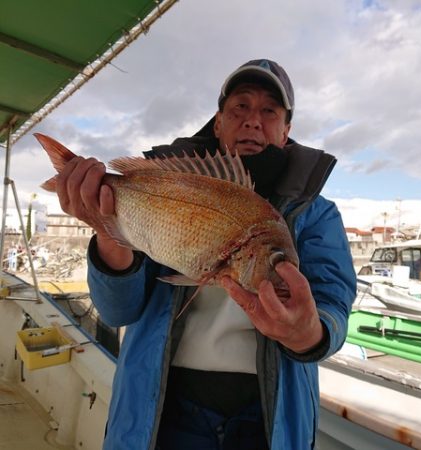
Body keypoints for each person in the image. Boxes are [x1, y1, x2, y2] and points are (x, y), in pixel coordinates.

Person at [55, 59, 356, 450]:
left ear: (286, 131)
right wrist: (108, 230)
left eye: (270, 111)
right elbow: (117, 312)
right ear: (218, 124)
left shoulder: (317, 213)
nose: (253, 120)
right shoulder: (172, 186)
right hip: (164, 407)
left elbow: (332, 305)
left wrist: (307, 334)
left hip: (265, 417)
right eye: (239, 108)